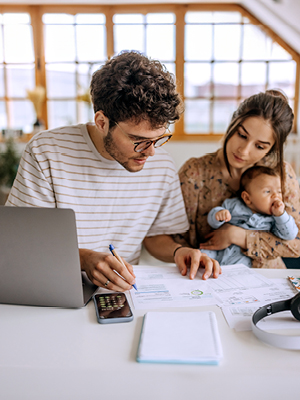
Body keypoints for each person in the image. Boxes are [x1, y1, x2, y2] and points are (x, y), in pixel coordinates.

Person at [6, 51, 221, 291]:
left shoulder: (162, 164)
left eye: (158, 139)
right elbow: (24, 242)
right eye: (138, 140)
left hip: (123, 292)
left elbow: (155, 237)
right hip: (53, 286)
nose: (150, 152)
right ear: (101, 122)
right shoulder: (47, 151)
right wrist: (84, 259)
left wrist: (180, 252)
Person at [176, 89, 300, 270]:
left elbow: (296, 244)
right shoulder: (194, 173)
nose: (244, 150)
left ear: (271, 149)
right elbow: (173, 240)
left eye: (259, 146)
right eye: (242, 135)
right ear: (232, 122)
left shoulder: (281, 174)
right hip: (210, 278)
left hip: (270, 282)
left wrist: (238, 236)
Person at [201, 166, 298, 267]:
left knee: (239, 269)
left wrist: (280, 215)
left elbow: (290, 235)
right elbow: (212, 223)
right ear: (247, 198)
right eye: (268, 191)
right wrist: (218, 215)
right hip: (219, 250)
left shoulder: (275, 219)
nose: (276, 196)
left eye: (279, 191)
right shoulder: (234, 205)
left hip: (243, 256)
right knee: (202, 255)